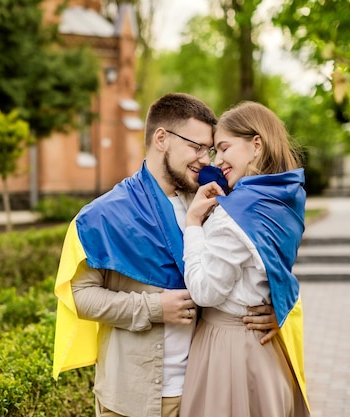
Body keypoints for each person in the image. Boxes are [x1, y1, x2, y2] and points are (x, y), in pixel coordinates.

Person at [52, 93, 279, 417]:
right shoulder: (103, 215)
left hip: (202, 390)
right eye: (197, 147)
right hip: (131, 396)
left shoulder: (212, 206)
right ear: (162, 139)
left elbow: (259, 271)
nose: (206, 160)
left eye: (210, 150)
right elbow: (79, 297)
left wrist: (275, 311)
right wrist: (154, 308)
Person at [179, 101, 310, 417]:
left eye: (224, 148)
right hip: (264, 352)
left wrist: (193, 225)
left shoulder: (235, 213)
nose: (218, 160)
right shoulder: (282, 199)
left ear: (256, 144)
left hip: (228, 353)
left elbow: (205, 292)